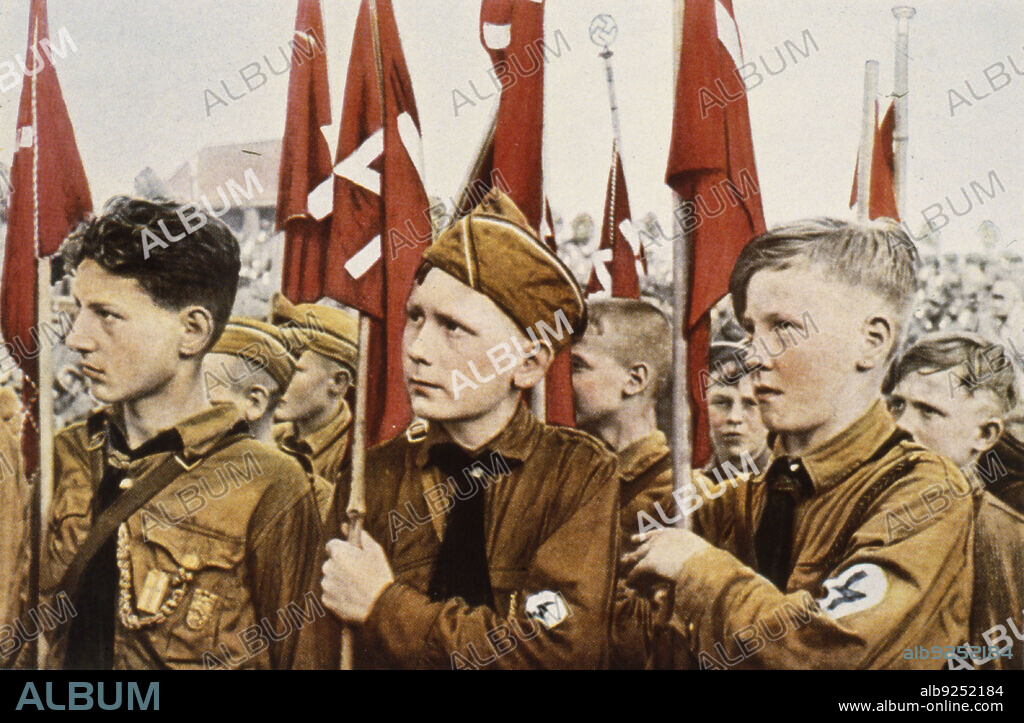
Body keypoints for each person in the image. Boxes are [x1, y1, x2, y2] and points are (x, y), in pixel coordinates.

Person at [624, 217, 973, 669]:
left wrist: (696, 570)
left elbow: (831, 650)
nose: (753, 355)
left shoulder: (923, 492)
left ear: (871, 342)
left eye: (784, 328)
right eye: (752, 329)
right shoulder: (756, 488)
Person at [319, 190, 620, 669]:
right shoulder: (370, 475)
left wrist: (384, 605)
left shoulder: (577, 475)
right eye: (415, 318)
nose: (418, 348)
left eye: (453, 328)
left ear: (528, 363)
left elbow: (556, 648)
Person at [42, 196, 323, 669]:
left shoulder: (269, 485)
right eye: (79, 310)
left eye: (107, 315)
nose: (77, 338)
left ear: (192, 330)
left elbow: (301, 658)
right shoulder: (64, 455)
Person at [883, 331, 1024, 670]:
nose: (901, 426)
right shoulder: (855, 505)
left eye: (928, 412)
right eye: (897, 405)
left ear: (984, 434)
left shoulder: (1003, 539)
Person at [570, 297, 673, 538]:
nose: (561, 381)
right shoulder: (575, 478)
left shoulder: (675, 492)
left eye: (577, 365)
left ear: (634, 380)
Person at [271, 293, 357, 490]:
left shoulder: (353, 455)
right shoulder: (270, 439)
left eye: (294, 371)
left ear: (338, 382)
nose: (278, 382)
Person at [703, 340, 771, 480]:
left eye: (750, 404)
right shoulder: (694, 488)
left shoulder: (786, 482)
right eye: (721, 403)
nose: (734, 418)